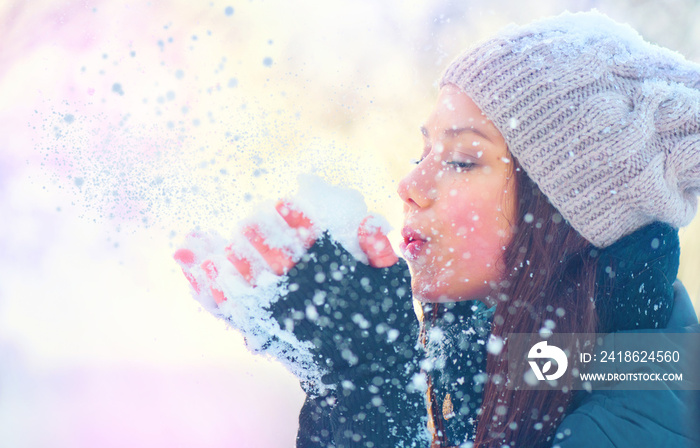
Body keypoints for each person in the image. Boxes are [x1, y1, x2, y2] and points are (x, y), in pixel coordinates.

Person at [174, 11, 700, 448]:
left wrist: (370, 384)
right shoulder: (570, 362)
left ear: (570, 216)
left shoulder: (633, 426)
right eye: (424, 151)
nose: (411, 184)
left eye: (464, 160)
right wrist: (331, 374)